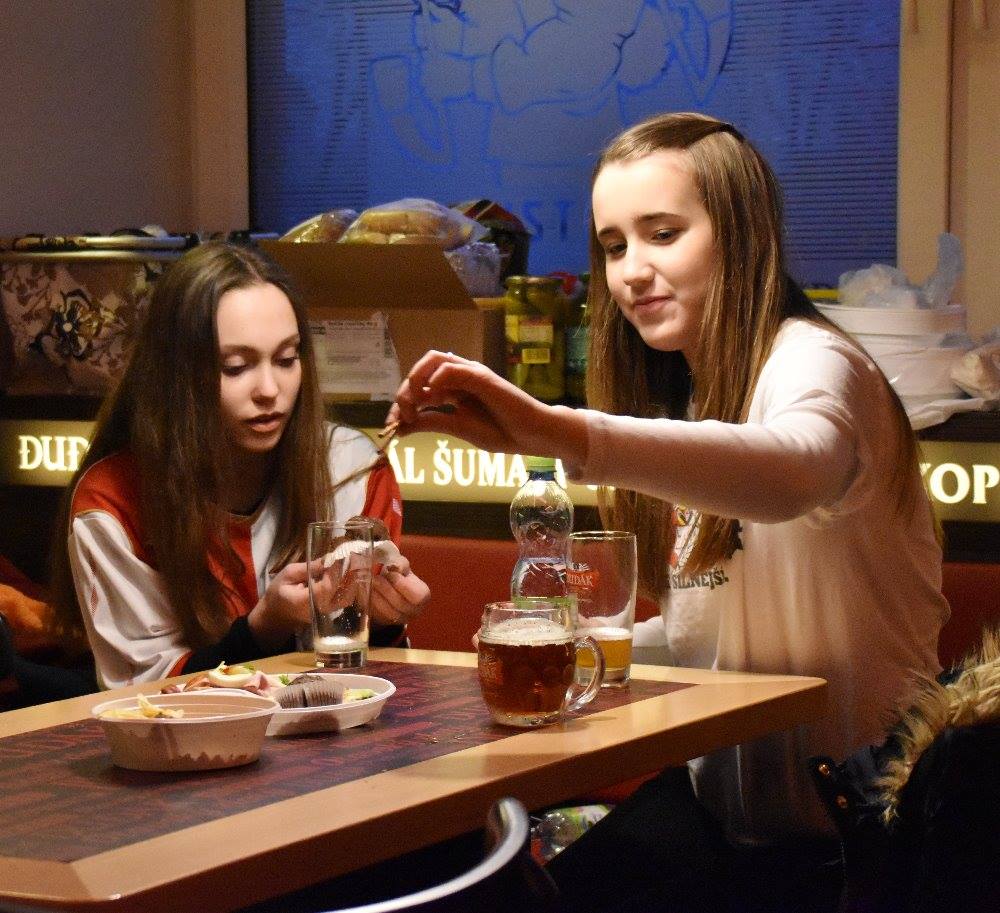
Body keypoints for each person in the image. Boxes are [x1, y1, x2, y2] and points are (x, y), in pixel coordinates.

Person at [388, 113, 949, 911]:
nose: (632, 271)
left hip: (855, 845)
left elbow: (794, 468)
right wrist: (575, 644)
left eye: (662, 233)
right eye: (615, 246)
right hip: (723, 823)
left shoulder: (817, 361)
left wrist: (558, 432)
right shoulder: (693, 397)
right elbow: (713, 638)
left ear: (744, 235)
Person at [49, 241, 429, 690]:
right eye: (235, 367)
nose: (269, 389)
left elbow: (367, 680)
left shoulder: (352, 470)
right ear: (176, 375)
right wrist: (261, 628)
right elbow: (145, 695)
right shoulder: (114, 502)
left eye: (286, 359)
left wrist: (383, 619)